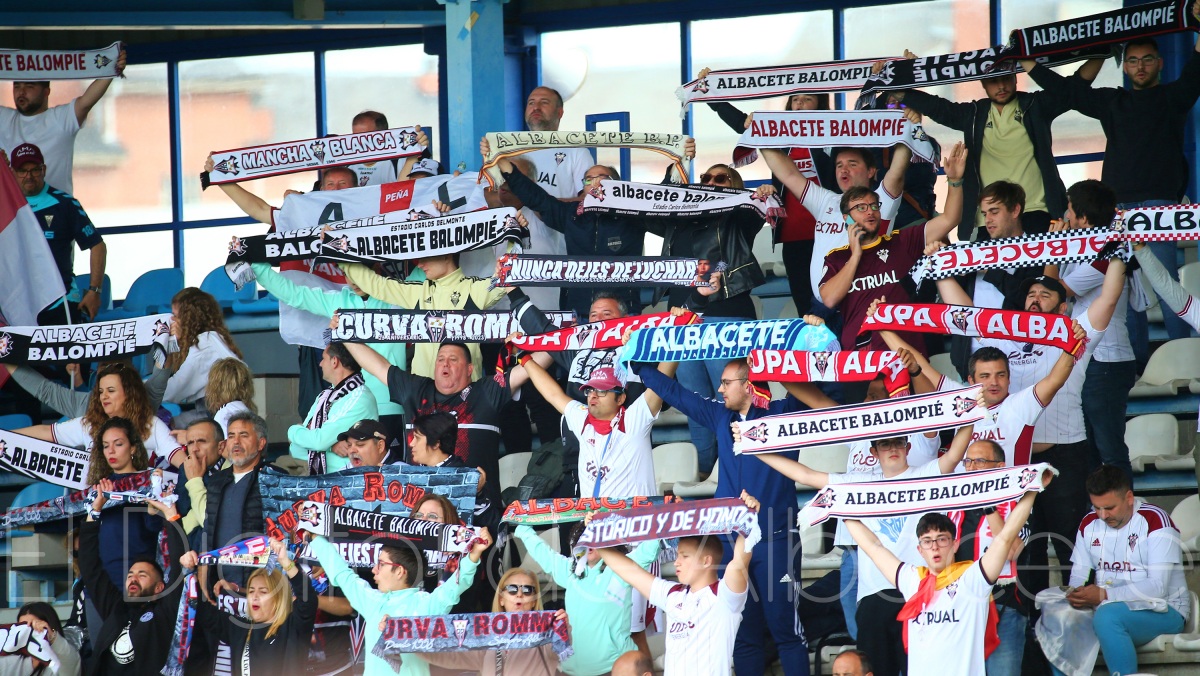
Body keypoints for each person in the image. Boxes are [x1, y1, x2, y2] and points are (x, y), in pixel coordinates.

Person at [1020, 10, 1200, 344]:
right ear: (1125, 66)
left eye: (1147, 59)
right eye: (1133, 60)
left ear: (1160, 63)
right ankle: (1135, 366)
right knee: (1123, 284)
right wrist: (1028, 64)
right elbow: (1068, 92)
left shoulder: (1173, 96)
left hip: (1160, 205)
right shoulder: (1113, 100)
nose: (1140, 66)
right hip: (1116, 208)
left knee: (1165, 282)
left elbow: (1197, 68)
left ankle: (1184, 358)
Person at [737, 424, 973, 676]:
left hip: (918, 594)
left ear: (909, 446)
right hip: (873, 598)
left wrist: (970, 414)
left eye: (898, 442)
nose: (893, 448)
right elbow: (805, 475)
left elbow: (955, 455)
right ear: (874, 452)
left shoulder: (924, 474)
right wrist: (754, 449)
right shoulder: (858, 483)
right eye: (885, 443)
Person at [632, 357, 809, 676]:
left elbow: (815, 383)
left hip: (776, 541)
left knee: (786, 632)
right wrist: (637, 365)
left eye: (727, 383)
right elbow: (676, 393)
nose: (719, 388)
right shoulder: (719, 415)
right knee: (743, 636)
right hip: (729, 542)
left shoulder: (784, 414)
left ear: (749, 384)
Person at [620, 164, 770, 474]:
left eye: (720, 178)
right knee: (693, 402)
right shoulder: (678, 215)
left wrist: (761, 196)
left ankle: (738, 468)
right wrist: (670, 180)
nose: (710, 183)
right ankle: (705, 471)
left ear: (736, 185)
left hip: (725, 314)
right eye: (705, 179)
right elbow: (647, 210)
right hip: (682, 319)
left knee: (727, 394)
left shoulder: (738, 214)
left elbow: (756, 213)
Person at [845, 470, 1046, 676]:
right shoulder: (912, 580)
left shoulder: (972, 578)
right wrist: (842, 512)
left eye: (942, 539)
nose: (935, 547)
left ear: (955, 543)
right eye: (927, 541)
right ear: (919, 550)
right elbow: (873, 547)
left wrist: (1032, 491)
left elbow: (1005, 538)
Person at [888, 50, 1104, 238]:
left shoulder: (1035, 105)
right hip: (988, 221)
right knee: (988, 284)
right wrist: (904, 78)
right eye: (993, 80)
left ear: (1016, 78)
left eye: (1006, 78)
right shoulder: (973, 114)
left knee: (1037, 284)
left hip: (1037, 213)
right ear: (982, 83)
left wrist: (1101, 53)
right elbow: (937, 107)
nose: (1001, 86)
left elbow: (1073, 89)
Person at [695, 67, 837, 312]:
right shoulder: (778, 135)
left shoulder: (835, 134)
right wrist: (711, 93)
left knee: (836, 301)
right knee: (806, 305)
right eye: (795, 100)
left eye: (807, 99)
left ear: (820, 105)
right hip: (793, 236)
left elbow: (870, 127)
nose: (799, 104)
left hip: (831, 233)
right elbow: (741, 124)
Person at [817, 141, 966, 354]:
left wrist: (955, 181)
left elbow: (949, 219)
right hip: (861, 361)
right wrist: (856, 255)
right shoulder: (836, 259)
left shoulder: (902, 241)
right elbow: (829, 299)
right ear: (846, 218)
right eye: (860, 208)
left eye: (874, 206)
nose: (870, 212)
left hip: (909, 356)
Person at [248, 259, 406, 453]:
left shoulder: (398, 297)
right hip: (349, 407)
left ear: (374, 270)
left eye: (358, 273)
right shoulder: (339, 300)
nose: (353, 281)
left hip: (390, 405)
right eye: (347, 273)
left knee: (391, 477)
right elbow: (294, 294)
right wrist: (255, 264)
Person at [760, 118, 914, 314]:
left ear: (871, 171)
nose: (844, 169)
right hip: (821, 306)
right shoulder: (827, 200)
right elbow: (788, 174)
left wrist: (906, 130)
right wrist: (760, 136)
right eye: (839, 164)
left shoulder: (880, 201)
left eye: (852, 163)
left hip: (861, 306)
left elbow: (898, 172)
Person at [595, 491, 758, 676]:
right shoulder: (672, 594)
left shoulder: (725, 595)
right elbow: (629, 572)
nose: (676, 562)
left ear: (706, 561)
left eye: (685, 556)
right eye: (678, 554)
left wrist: (749, 517)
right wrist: (595, 536)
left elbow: (739, 562)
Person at [1050, 465, 1189, 676]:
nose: (1103, 515)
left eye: (1110, 507)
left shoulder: (1155, 520)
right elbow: (1078, 576)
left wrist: (1104, 594)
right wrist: (1075, 595)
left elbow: (1158, 587)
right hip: (1107, 608)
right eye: (1097, 507)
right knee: (1059, 621)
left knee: (1108, 616)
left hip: (1165, 609)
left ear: (1129, 498)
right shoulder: (1089, 523)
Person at [481, 137, 644, 317]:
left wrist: (678, 164)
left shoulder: (634, 215)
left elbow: (665, 206)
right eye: (588, 180)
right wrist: (500, 161)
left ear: (617, 185)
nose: (595, 183)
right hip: (580, 316)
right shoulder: (572, 215)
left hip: (623, 314)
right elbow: (537, 198)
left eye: (602, 178)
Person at [1043, 180, 1137, 479]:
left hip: (1106, 361)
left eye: (1070, 209)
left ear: (1083, 217)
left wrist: (1051, 248)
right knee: (1093, 450)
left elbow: (1051, 291)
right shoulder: (1086, 248)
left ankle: (1124, 513)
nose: (1065, 216)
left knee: (1109, 449)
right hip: (1090, 359)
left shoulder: (1107, 252)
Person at [307, 525, 493, 676]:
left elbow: (455, 586)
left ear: (400, 571)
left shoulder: (426, 604)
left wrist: (474, 555)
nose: (374, 570)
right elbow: (342, 574)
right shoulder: (372, 600)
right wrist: (315, 538)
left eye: (380, 563)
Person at [513, 520, 660, 675]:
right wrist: (522, 528)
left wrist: (672, 515)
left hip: (613, 669)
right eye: (584, 537)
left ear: (609, 540)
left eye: (594, 537)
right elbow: (543, 553)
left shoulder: (620, 569)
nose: (588, 541)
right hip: (570, 671)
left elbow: (650, 549)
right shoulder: (571, 571)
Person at [339, 251, 509, 380]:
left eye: (425, 257)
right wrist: (339, 250)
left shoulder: (475, 290)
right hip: (423, 398)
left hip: (466, 397)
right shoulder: (419, 291)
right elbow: (375, 284)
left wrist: (517, 232)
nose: (419, 264)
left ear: (446, 254)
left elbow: (508, 272)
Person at [941, 180, 1048, 376]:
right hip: (971, 362)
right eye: (984, 214)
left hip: (1021, 362)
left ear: (1015, 210)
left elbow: (1028, 300)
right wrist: (942, 261)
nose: (988, 219)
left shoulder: (1036, 251)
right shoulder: (975, 249)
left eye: (994, 211)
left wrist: (989, 270)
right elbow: (955, 301)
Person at [946, 440, 1029, 676]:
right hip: (962, 607)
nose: (971, 467)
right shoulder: (953, 503)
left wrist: (990, 507)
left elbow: (1012, 550)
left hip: (1004, 607)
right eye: (968, 461)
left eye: (979, 461)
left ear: (1000, 467)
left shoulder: (1018, 502)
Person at [78, 494, 185, 676]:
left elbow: (179, 566)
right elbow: (90, 568)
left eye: (142, 575)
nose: (133, 579)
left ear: (160, 587)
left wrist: (171, 516)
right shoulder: (115, 607)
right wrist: (94, 513)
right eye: (130, 575)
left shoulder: (166, 612)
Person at [180, 538, 317, 676]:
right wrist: (189, 570)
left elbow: (308, 600)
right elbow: (203, 611)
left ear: (279, 598)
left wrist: (286, 562)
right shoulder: (239, 628)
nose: (255, 596)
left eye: (263, 591)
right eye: (251, 591)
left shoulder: (293, 627)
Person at [0, 48, 127, 195]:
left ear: (46, 91)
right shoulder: (5, 118)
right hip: (16, 216)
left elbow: (86, 102)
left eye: (29, 86)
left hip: (57, 212)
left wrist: (112, 66)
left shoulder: (60, 119)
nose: (21, 92)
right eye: (16, 86)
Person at [15, 363, 183, 467]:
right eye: (101, 391)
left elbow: (180, 459)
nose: (103, 396)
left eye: (111, 391)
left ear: (130, 393)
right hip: (96, 507)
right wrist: (4, 438)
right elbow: (47, 432)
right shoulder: (89, 423)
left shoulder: (150, 425)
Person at [10, 143, 106, 323]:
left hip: (60, 302)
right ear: (12, 172)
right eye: (22, 170)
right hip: (16, 305)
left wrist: (94, 291)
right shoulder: (5, 208)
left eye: (35, 170)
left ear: (44, 169)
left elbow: (98, 246)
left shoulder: (65, 204)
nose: (29, 176)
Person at [418, 569, 567, 675]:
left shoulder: (546, 634)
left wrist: (562, 627)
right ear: (501, 599)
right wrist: (410, 642)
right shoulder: (485, 636)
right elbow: (449, 655)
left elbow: (561, 647)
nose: (520, 594)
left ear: (534, 600)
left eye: (528, 590)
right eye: (512, 589)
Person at [85, 418, 164, 586]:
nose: (111, 451)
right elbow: (86, 537)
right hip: (102, 582)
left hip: (139, 580)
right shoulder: (97, 488)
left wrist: (153, 499)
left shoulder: (148, 483)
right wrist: (99, 505)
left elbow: (154, 529)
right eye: (106, 446)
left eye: (118, 444)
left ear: (133, 448)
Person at [201, 412, 268, 598]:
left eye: (244, 435)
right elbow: (209, 530)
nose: (236, 442)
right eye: (231, 436)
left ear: (261, 443)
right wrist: (204, 578)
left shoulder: (273, 479)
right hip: (218, 586)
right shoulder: (216, 481)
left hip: (257, 589)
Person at [288, 341, 378, 475]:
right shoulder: (325, 395)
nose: (320, 364)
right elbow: (309, 436)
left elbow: (317, 441)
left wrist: (292, 430)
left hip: (342, 480)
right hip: (309, 474)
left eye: (323, 359)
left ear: (334, 361)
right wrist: (331, 445)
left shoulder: (359, 398)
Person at [155, 288, 243, 410]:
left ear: (190, 319)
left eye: (176, 316)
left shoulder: (204, 346)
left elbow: (169, 392)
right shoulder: (211, 338)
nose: (172, 321)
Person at [521, 86, 592, 200]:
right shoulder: (509, 151)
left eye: (544, 103)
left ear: (559, 113)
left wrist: (549, 207)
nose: (536, 107)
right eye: (531, 103)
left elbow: (589, 198)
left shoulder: (577, 152)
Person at [0, 601, 82, 676]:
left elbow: (70, 664)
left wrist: (51, 637)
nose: (27, 631)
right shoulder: (10, 660)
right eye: (22, 627)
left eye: (33, 626)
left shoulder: (63, 658)